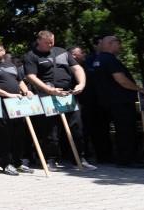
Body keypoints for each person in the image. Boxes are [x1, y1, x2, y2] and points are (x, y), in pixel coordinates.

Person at [22, 30, 92, 169]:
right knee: (50, 129)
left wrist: (81, 84)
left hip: (66, 93)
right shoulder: (31, 55)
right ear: (39, 41)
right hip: (47, 95)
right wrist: (48, 90)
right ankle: (51, 159)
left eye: (52, 42)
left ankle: (79, 158)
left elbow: (77, 68)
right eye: (47, 43)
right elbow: (31, 76)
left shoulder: (62, 52)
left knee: (76, 126)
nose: (51, 45)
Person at [88, 34, 144, 168]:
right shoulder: (110, 60)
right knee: (126, 130)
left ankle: (112, 157)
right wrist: (138, 89)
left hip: (106, 101)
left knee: (114, 131)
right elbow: (121, 80)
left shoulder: (97, 60)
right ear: (111, 44)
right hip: (120, 101)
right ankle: (127, 160)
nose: (120, 46)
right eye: (118, 43)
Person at [0, 43, 33, 175]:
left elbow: (20, 81)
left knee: (19, 133)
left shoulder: (11, 64)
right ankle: (6, 163)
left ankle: (18, 162)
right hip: (0, 103)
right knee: (4, 134)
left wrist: (26, 91)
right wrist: (7, 94)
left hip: (17, 103)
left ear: (3, 51)